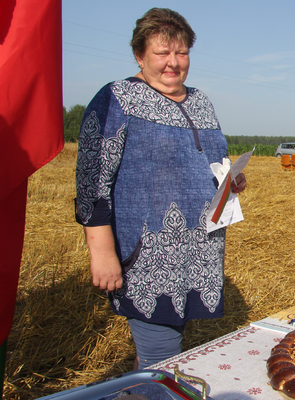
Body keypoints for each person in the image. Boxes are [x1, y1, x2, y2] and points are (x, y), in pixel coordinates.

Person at [75, 8, 246, 370]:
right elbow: (92, 184)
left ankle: (137, 391)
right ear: (139, 55)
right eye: (161, 53)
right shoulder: (117, 99)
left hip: (197, 254)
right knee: (162, 359)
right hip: (149, 258)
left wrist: (230, 181)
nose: (173, 63)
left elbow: (210, 162)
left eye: (181, 53)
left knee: (166, 356)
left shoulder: (201, 102)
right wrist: (102, 253)